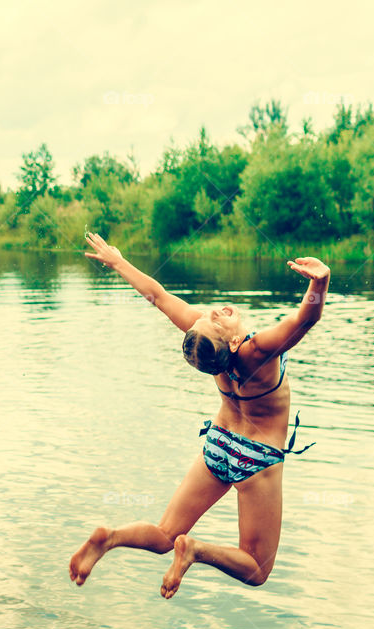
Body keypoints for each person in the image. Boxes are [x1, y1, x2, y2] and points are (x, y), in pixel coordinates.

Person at [70, 231, 328, 598]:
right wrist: (321, 281)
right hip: (256, 458)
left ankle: (110, 538)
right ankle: (196, 550)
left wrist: (118, 262)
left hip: (218, 445)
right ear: (234, 342)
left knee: (164, 535)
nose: (214, 311)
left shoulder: (207, 345)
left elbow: (157, 296)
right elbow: (304, 320)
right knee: (256, 569)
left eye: (210, 316)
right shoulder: (256, 351)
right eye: (216, 319)